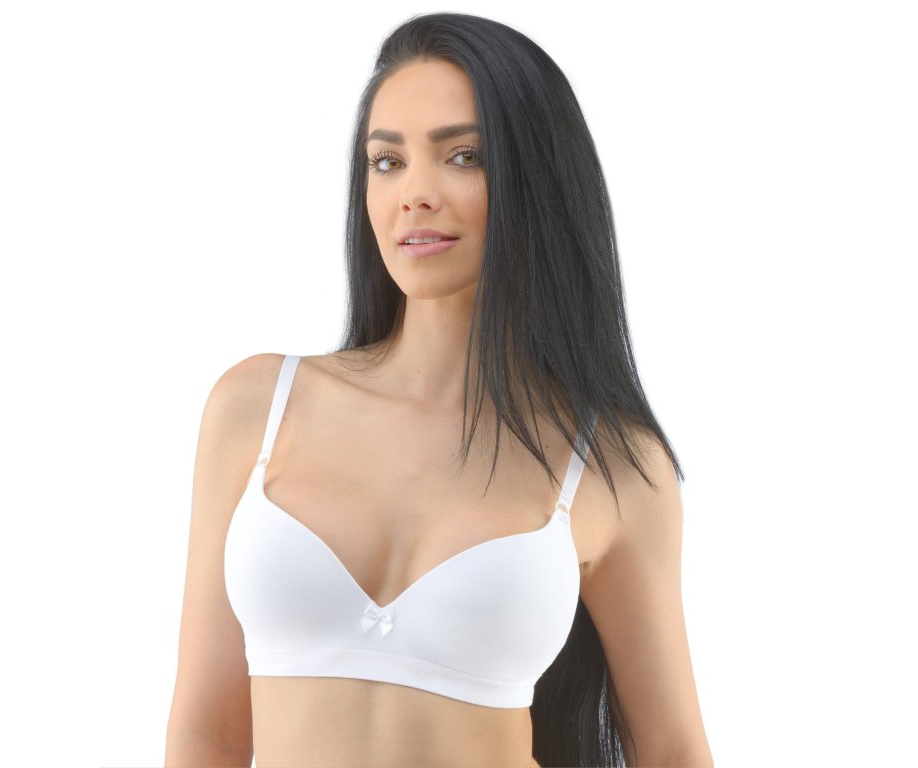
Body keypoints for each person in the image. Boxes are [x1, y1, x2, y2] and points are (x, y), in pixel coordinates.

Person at [165, 12, 712, 768]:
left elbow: (673, 750)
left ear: (539, 179)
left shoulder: (613, 465)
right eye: (388, 161)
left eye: (464, 156)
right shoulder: (257, 408)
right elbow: (206, 736)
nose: (414, 194)